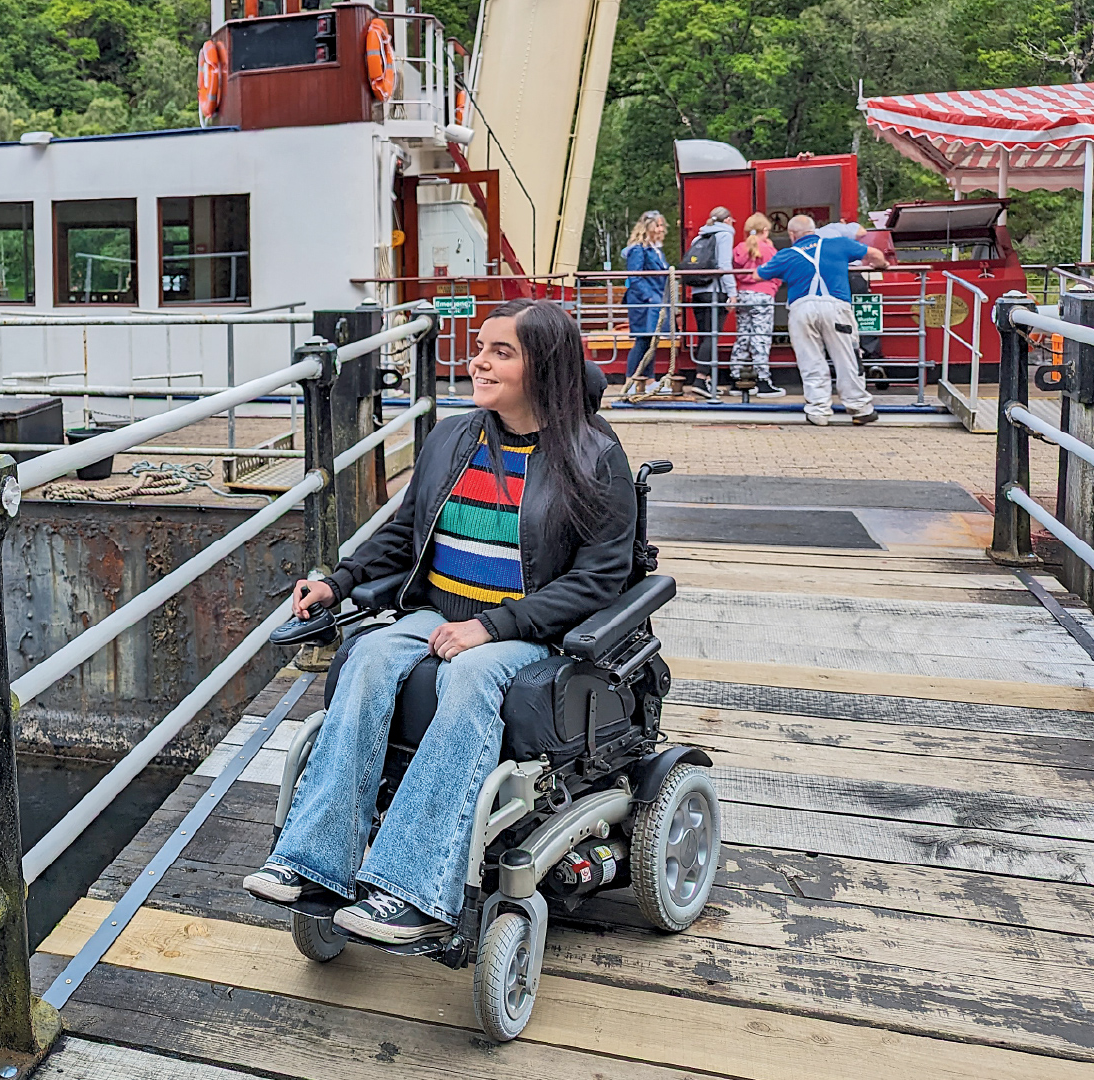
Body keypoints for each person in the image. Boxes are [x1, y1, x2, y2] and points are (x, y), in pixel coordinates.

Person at [242, 299, 637, 946]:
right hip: (438, 612)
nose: (478, 362)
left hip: (528, 633)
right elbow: (405, 534)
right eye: (480, 348)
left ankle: (414, 891)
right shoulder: (454, 439)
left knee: (469, 677)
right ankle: (314, 864)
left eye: (501, 352)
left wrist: (495, 627)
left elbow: (598, 580)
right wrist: (338, 580)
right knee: (367, 656)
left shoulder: (595, 458)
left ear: (545, 366)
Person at [754, 214, 891, 425]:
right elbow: (874, 254)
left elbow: (758, 275)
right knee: (847, 358)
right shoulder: (839, 244)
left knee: (810, 361)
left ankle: (818, 411)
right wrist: (881, 265)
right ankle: (859, 407)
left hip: (801, 309)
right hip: (836, 306)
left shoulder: (787, 255)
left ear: (792, 234)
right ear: (814, 230)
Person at [728, 213, 785, 397]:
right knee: (761, 337)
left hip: (743, 295)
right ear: (765, 230)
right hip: (763, 295)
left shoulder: (739, 248)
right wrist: (773, 286)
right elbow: (778, 272)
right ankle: (763, 380)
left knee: (743, 336)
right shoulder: (769, 250)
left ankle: (736, 379)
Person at [681, 207, 736, 394]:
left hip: (698, 292)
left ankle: (707, 381)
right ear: (727, 220)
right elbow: (724, 265)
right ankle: (700, 379)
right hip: (715, 291)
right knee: (712, 335)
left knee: (704, 336)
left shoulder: (699, 237)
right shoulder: (724, 235)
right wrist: (732, 293)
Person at [620, 211, 670, 396]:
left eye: (662, 225)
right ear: (647, 227)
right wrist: (650, 297)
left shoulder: (656, 250)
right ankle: (630, 381)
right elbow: (635, 277)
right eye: (658, 225)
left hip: (655, 301)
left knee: (651, 341)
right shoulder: (638, 250)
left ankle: (649, 380)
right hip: (644, 302)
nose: (661, 229)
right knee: (642, 340)